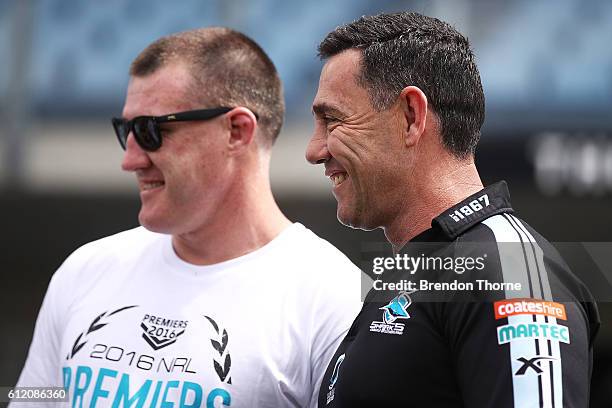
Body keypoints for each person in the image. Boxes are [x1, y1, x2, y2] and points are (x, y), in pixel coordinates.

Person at [13, 27, 362, 407]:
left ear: (237, 131)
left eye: (150, 131)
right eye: (126, 130)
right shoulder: (83, 270)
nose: (129, 160)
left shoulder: (336, 298)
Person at [306, 12, 600, 407]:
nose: (315, 150)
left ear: (411, 116)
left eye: (333, 120)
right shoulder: (419, 271)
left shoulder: (509, 268)